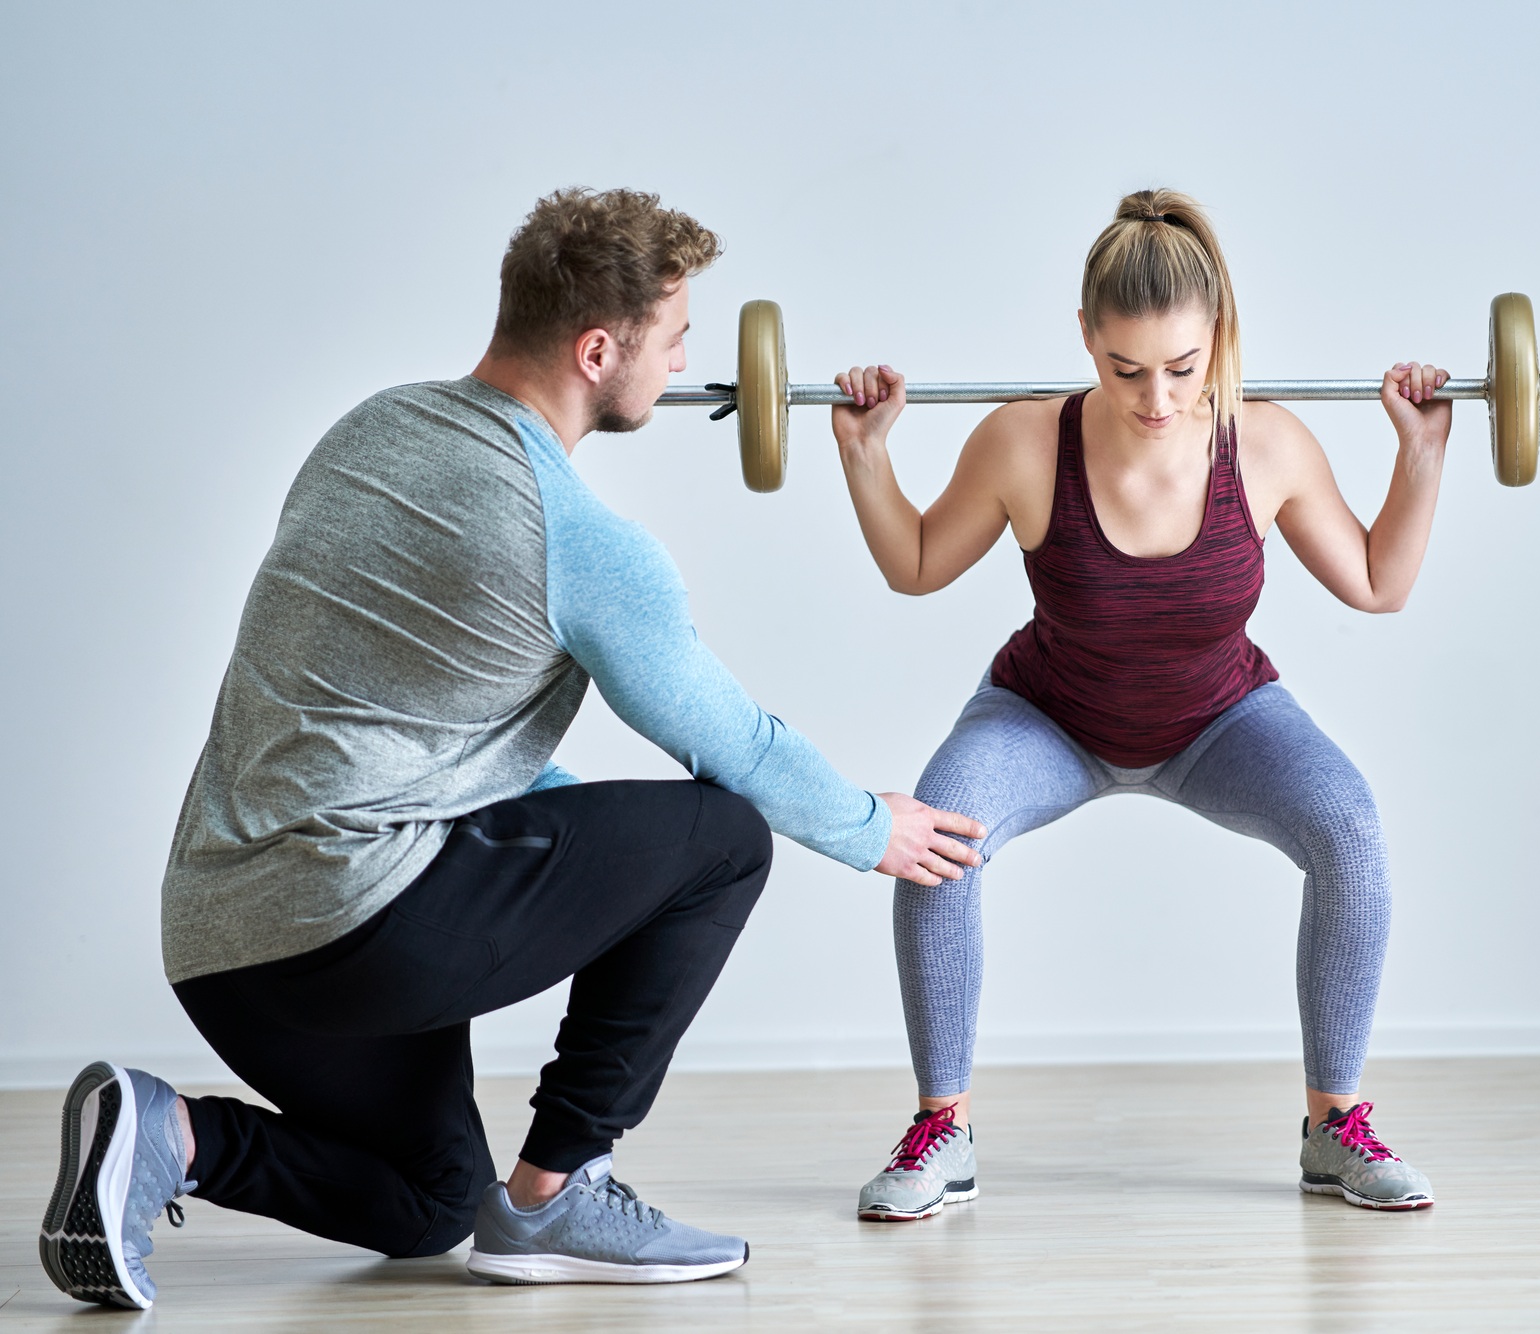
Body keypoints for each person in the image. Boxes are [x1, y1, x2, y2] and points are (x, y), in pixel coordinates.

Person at [38, 187, 984, 1311]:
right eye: (675, 338)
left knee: (430, 1198)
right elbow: (728, 740)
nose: (685, 365)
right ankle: (557, 1191)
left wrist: (587, 862)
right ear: (597, 349)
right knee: (722, 835)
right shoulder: (577, 538)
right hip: (351, 925)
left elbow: (405, 731)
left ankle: (166, 1132)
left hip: (220, 945)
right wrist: (872, 828)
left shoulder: (372, 428)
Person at [828, 189, 1452, 1221]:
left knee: (1350, 824)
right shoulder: (1025, 442)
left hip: (1218, 720)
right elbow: (918, 562)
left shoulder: (1267, 445)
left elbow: (1378, 582)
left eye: (1181, 366)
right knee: (939, 831)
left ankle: (1331, 1124)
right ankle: (943, 1124)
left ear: (1219, 340)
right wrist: (864, 455)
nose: (1155, 397)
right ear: (1084, 337)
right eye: (1124, 369)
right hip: (1047, 719)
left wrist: (1420, 453)